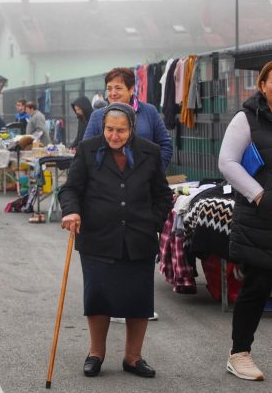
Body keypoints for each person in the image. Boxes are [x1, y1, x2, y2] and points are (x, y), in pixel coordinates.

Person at [58, 102, 173, 380]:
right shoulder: (88, 150)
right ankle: (96, 353)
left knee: (138, 299)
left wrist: (151, 223)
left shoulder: (150, 152)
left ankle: (133, 357)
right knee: (98, 296)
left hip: (138, 238)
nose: (114, 136)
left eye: (121, 130)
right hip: (98, 237)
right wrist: (72, 211)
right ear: (103, 127)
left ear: (131, 129)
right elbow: (70, 188)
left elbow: (162, 195)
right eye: (110, 129)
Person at [218, 60, 272, 381]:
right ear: (263, 84)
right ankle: (239, 353)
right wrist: (259, 195)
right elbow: (227, 162)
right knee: (257, 286)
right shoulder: (246, 118)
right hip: (259, 217)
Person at [84, 68, 173, 169]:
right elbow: (87, 150)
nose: (113, 93)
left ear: (131, 89)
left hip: (145, 181)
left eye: (118, 88)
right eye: (109, 89)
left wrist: (155, 172)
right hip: (108, 181)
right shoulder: (97, 116)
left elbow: (165, 145)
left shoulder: (149, 111)